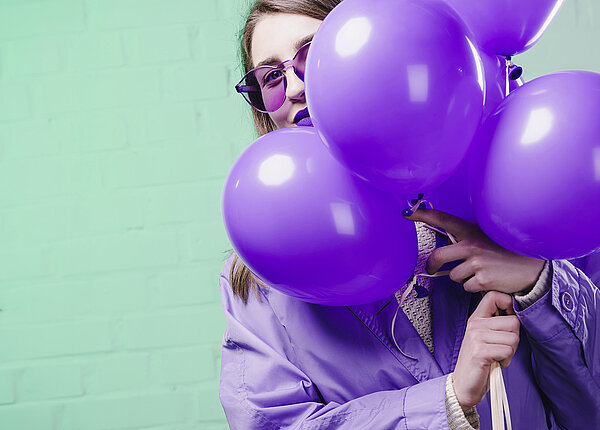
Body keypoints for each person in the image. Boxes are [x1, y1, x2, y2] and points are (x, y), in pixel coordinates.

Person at [219, 0, 600, 428]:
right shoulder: (262, 275)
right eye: (271, 77)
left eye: (314, 53)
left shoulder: (536, 196)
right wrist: (448, 401)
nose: (293, 87)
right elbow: (272, 422)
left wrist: (541, 285)